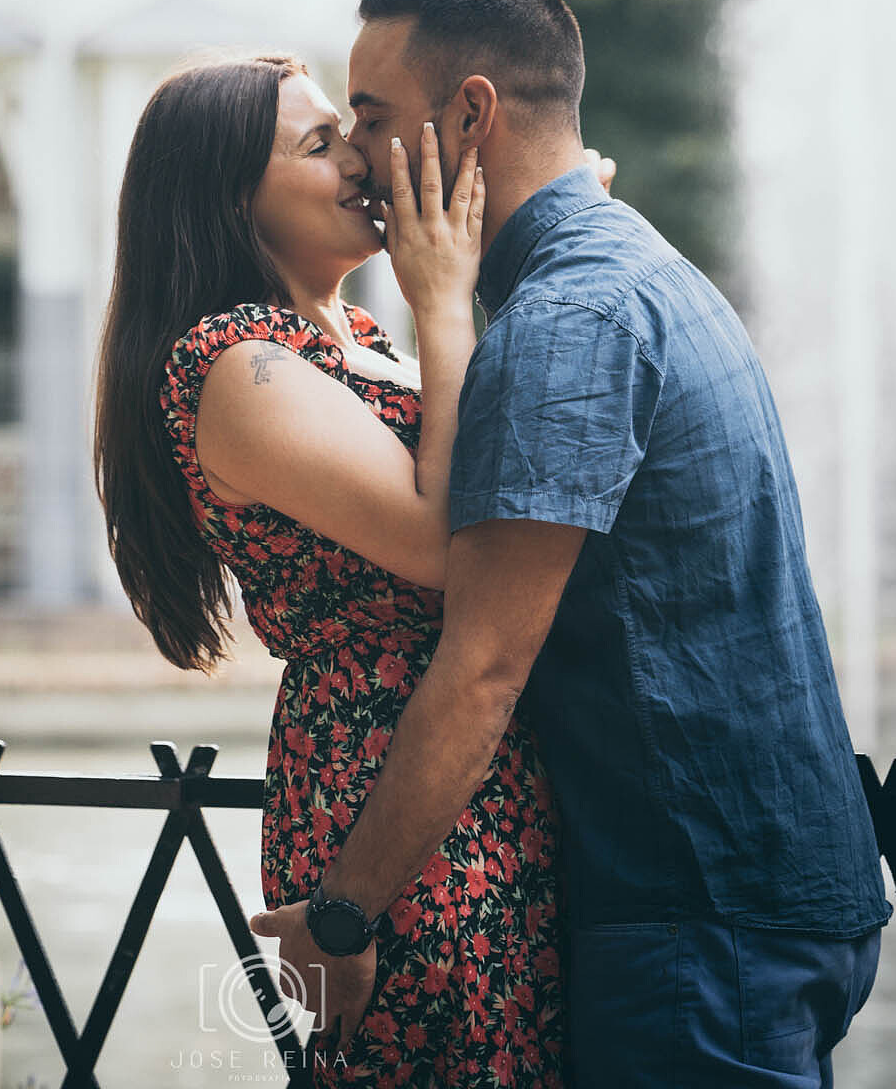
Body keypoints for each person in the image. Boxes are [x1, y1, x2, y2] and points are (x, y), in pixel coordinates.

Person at [253, 0, 890, 1089]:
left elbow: (485, 662)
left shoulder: (566, 320)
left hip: (696, 913)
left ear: (473, 112)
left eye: (377, 118)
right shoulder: (631, 267)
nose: (361, 157)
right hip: (757, 890)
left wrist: (344, 910)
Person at [93, 53, 578, 1086]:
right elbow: (437, 541)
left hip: (464, 758)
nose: (363, 157)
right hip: (386, 785)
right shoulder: (235, 362)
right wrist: (443, 301)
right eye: (319, 144)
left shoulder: (350, 335)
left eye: (348, 131)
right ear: (234, 196)